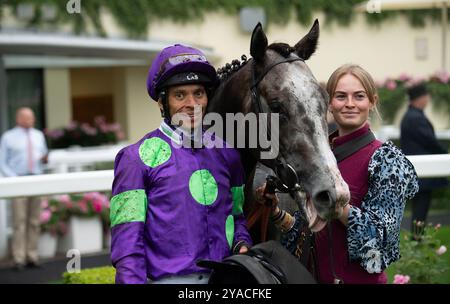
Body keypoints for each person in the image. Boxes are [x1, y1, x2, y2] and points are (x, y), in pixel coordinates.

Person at [256, 64, 419, 284]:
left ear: (372, 101)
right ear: (329, 104)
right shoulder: (316, 159)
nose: (350, 104)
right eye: (341, 96)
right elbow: (309, 232)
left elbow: (380, 242)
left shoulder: (387, 160)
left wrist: (337, 205)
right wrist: (275, 211)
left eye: (359, 96)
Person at [110, 44, 252, 284]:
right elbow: (127, 246)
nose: (192, 103)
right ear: (162, 103)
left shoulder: (228, 153)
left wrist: (241, 242)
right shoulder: (135, 159)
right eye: (180, 95)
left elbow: (237, 216)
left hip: (225, 280)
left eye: (198, 93)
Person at [0, 107, 48, 270]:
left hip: (36, 179)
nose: (31, 121)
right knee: (19, 221)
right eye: (27, 118)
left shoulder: (38, 135)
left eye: (32, 118)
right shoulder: (8, 137)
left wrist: (44, 158)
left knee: (34, 221)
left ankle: (32, 256)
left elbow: (43, 154)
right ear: (19, 118)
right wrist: (14, 180)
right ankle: (18, 258)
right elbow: (2, 161)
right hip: (18, 181)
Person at [400, 83, 448, 234]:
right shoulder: (415, 117)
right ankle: (417, 239)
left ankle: (417, 238)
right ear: (420, 98)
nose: (428, 99)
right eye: (426, 96)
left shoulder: (412, 115)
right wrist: (444, 152)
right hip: (421, 174)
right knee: (421, 209)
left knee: (419, 209)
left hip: (418, 172)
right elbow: (429, 141)